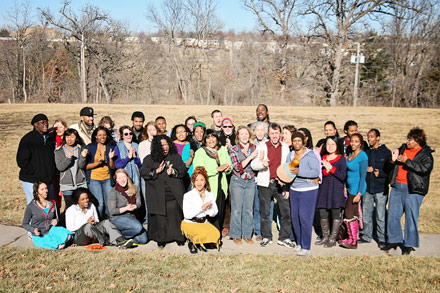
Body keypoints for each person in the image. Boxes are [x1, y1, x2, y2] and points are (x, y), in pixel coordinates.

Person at [382, 127, 434, 255]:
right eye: (407, 138)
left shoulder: (425, 154)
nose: (407, 141)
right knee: (393, 215)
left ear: (418, 140)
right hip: (397, 187)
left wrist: (407, 162)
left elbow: (424, 169)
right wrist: (392, 160)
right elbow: (389, 167)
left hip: (413, 190)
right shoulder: (402, 149)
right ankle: (393, 241)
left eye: (410, 139)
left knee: (411, 217)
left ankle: (409, 245)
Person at [251, 123, 294, 248]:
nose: (274, 136)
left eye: (276, 133)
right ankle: (266, 237)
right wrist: (262, 163)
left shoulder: (285, 148)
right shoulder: (262, 146)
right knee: (265, 211)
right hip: (265, 183)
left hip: (281, 183)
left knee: (286, 211)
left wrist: (286, 185)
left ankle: (284, 237)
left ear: (280, 134)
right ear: (268, 134)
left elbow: (288, 167)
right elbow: (254, 165)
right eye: (272, 133)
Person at [140, 135, 187, 248]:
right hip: (157, 194)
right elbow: (143, 172)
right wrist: (156, 171)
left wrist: (174, 171)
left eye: (166, 144)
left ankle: (178, 237)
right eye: (161, 145)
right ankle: (161, 239)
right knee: (160, 217)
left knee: (175, 212)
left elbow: (183, 170)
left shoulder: (175, 157)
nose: (164, 147)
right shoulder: (149, 159)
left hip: (173, 193)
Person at [287, 132, 321, 256]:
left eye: (299, 141)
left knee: (305, 218)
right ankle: (299, 243)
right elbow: (288, 171)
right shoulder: (291, 155)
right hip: (294, 189)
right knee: (295, 218)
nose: (297, 143)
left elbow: (315, 172)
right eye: (294, 141)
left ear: (303, 142)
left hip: (308, 190)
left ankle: (306, 246)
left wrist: (299, 171)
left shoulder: (310, 155)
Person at [65, 187, 134, 248]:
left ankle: (121, 241)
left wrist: (94, 221)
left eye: (87, 198)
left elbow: (97, 220)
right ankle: (106, 241)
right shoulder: (71, 210)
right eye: (83, 199)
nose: (86, 201)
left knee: (106, 222)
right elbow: (70, 228)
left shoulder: (91, 205)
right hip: (80, 237)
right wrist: (86, 222)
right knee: (88, 226)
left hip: (93, 233)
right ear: (77, 201)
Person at [193, 129, 232, 232]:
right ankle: (207, 237)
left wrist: (228, 169)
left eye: (213, 137)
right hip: (208, 187)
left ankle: (216, 235)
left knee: (219, 211)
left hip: (221, 186)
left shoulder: (223, 150)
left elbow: (228, 164)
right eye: (208, 137)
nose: (211, 140)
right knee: (208, 212)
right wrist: (216, 170)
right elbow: (198, 170)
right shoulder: (200, 152)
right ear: (205, 140)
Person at [360, 129, 391, 249]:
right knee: (366, 214)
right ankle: (367, 236)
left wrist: (381, 173)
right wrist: (367, 170)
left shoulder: (386, 152)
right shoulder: (366, 152)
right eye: (368, 137)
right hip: (368, 188)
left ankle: (382, 238)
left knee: (380, 215)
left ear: (378, 138)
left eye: (372, 137)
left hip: (380, 188)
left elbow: (391, 170)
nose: (369, 139)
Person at [17, 114, 56, 204]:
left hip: (47, 180)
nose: (45, 124)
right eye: (42, 122)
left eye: (46, 122)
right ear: (35, 124)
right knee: (34, 206)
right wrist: (36, 172)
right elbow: (21, 161)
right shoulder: (28, 140)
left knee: (48, 204)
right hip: (31, 180)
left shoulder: (49, 139)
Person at [228, 126, 258, 245]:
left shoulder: (254, 147)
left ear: (249, 135)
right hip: (237, 180)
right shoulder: (233, 149)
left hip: (250, 180)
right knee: (236, 209)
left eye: (246, 134)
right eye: (241, 134)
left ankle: (247, 234)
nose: (244, 136)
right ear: (238, 136)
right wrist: (251, 157)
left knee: (248, 209)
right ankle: (236, 234)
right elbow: (238, 167)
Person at [315, 136, 346, 248]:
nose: (330, 146)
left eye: (333, 144)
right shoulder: (322, 158)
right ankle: (325, 237)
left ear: (337, 145)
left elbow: (342, 176)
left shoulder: (341, 159)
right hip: (324, 190)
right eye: (328, 144)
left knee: (335, 214)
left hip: (336, 190)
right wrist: (325, 170)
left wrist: (330, 168)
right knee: (322, 213)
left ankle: (333, 238)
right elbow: (319, 174)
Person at [181, 166, 221, 254]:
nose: (199, 183)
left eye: (202, 180)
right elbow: (187, 214)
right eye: (197, 180)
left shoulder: (210, 195)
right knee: (200, 236)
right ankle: (192, 242)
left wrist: (208, 209)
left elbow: (215, 212)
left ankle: (200, 241)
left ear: (205, 181)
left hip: (203, 222)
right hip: (190, 223)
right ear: (193, 182)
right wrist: (201, 208)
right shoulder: (188, 195)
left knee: (216, 235)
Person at [22, 181, 73, 249]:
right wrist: (33, 230)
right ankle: (56, 243)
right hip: (40, 235)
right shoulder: (31, 207)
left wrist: (56, 221)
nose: (45, 191)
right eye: (42, 189)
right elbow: (24, 224)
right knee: (59, 245)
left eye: (46, 188)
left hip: (52, 230)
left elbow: (57, 218)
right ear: (37, 192)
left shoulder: (52, 203)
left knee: (69, 236)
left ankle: (59, 240)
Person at [339, 133, 368, 249]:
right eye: (352, 141)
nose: (353, 143)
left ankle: (353, 240)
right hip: (349, 188)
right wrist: (345, 186)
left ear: (360, 143)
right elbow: (347, 172)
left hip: (356, 190)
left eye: (356, 141)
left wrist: (359, 193)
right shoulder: (350, 154)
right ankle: (351, 237)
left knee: (350, 214)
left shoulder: (363, 156)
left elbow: (363, 176)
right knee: (350, 213)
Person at [108, 169, 148, 245]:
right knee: (138, 227)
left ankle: (124, 238)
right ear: (116, 180)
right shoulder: (113, 191)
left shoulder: (135, 188)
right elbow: (112, 211)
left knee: (143, 239)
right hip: (118, 217)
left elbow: (139, 203)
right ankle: (117, 237)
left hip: (132, 217)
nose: (122, 180)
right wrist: (126, 208)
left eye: (123, 177)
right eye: (119, 178)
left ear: (127, 177)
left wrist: (134, 206)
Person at [54, 128, 88, 209]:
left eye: (72, 137)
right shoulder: (59, 151)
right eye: (67, 137)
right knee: (70, 208)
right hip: (67, 185)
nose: (69, 139)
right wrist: (68, 158)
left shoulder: (81, 149)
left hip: (80, 184)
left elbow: (81, 166)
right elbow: (60, 167)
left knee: (82, 207)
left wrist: (83, 157)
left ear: (76, 138)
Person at [86, 126, 115, 217]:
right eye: (100, 135)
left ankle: (109, 223)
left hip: (107, 178)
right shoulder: (90, 147)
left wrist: (110, 159)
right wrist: (98, 163)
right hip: (94, 179)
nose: (102, 137)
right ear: (96, 136)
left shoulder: (111, 146)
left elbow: (113, 167)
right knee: (100, 204)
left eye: (104, 135)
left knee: (109, 204)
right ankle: (98, 223)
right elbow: (86, 167)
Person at [252, 121, 270, 241]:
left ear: (265, 132)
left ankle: (267, 231)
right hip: (254, 178)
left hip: (266, 178)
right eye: (257, 130)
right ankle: (258, 230)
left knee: (267, 207)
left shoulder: (268, 144)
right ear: (254, 132)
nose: (259, 132)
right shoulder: (251, 144)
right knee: (257, 206)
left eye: (262, 130)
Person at [171, 124, 193, 189]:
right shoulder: (171, 145)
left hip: (189, 176)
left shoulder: (191, 144)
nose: (180, 134)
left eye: (183, 131)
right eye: (178, 132)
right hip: (176, 175)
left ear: (187, 133)